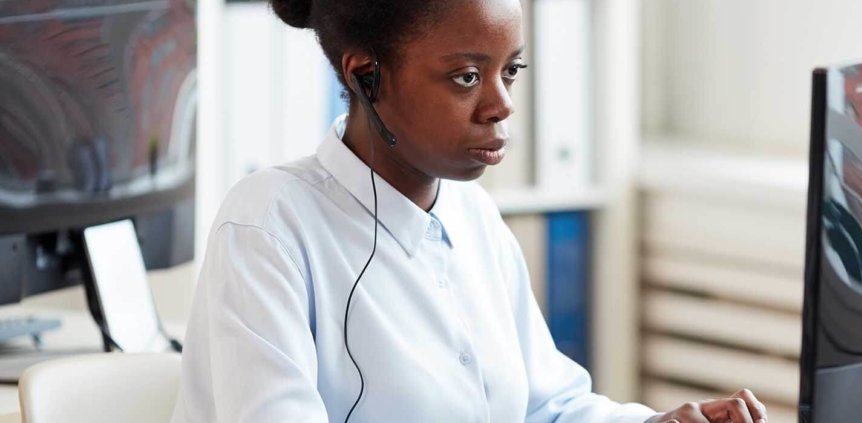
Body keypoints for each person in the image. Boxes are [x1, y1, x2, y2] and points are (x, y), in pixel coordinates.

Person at [170, 0, 769, 422]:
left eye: (509, 71)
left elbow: (545, 406)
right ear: (366, 75)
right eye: (466, 77)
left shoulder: (473, 216)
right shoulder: (268, 227)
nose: (501, 105)